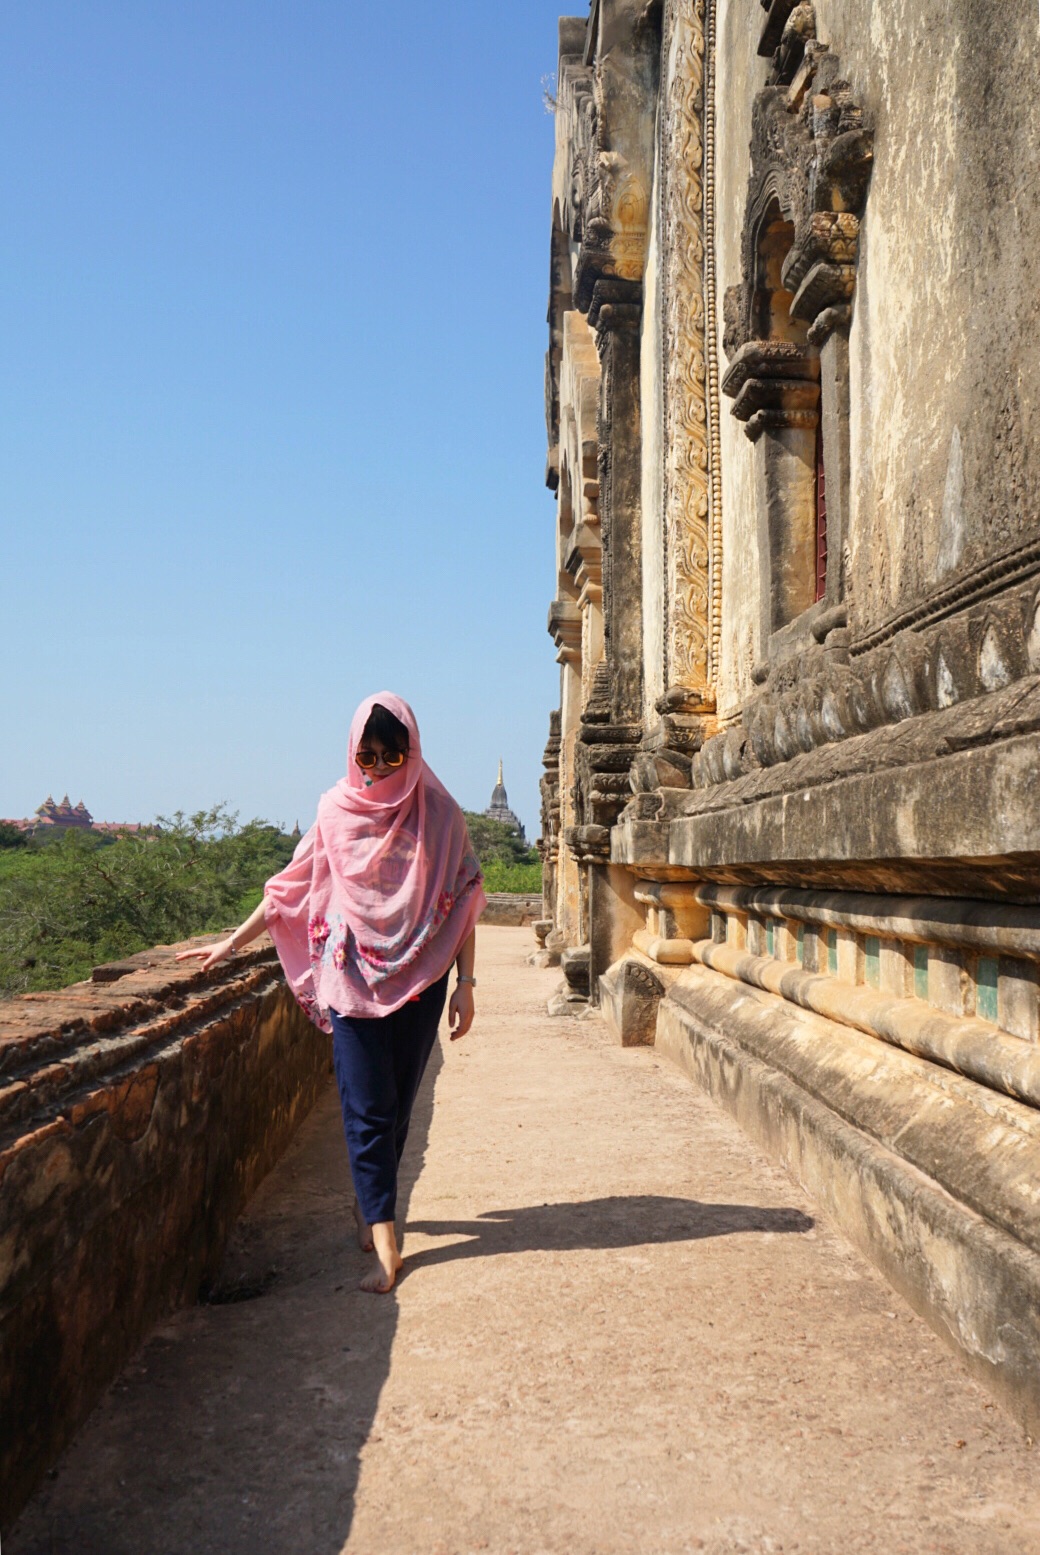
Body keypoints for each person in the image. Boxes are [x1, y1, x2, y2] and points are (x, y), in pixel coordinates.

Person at [177, 691, 486, 1293]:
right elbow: (287, 892)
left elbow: (466, 896)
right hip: (349, 976)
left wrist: (466, 985)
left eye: (391, 759)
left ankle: (369, 1209)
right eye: (366, 757)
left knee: (395, 1106)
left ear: (412, 752)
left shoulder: (440, 814)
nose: (377, 770)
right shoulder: (335, 812)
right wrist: (231, 945)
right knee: (366, 1110)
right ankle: (386, 1242)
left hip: (422, 978)